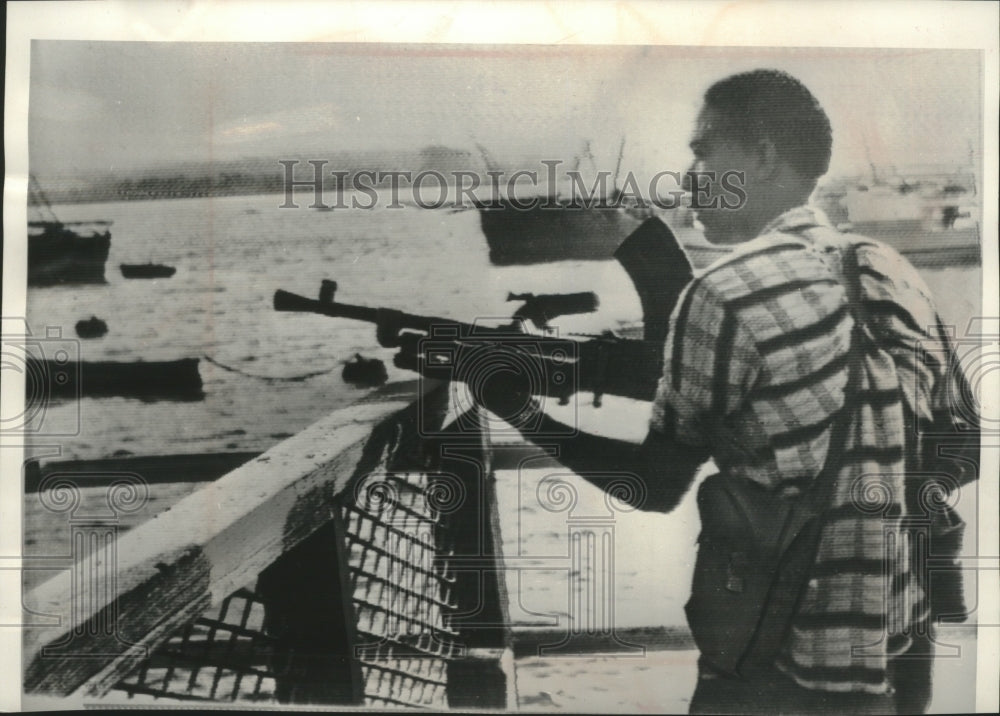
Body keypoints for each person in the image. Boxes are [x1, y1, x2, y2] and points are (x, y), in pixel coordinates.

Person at [478, 69, 977, 714]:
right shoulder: (892, 268)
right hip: (903, 650)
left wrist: (520, 410)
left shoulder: (722, 291)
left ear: (763, 157)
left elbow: (654, 486)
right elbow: (962, 449)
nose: (688, 176)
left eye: (702, 150)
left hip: (777, 666)